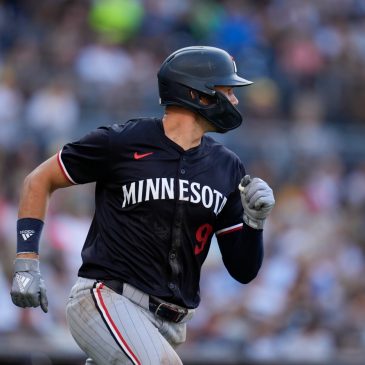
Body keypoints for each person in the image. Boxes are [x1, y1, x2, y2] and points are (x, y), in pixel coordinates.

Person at [10, 46, 275, 365]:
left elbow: (243, 271)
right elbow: (38, 180)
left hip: (170, 325)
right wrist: (26, 262)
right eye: (227, 90)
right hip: (106, 300)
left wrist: (255, 222)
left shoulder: (227, 167)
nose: (234, 100)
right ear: (197, 93)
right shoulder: (123, 142)